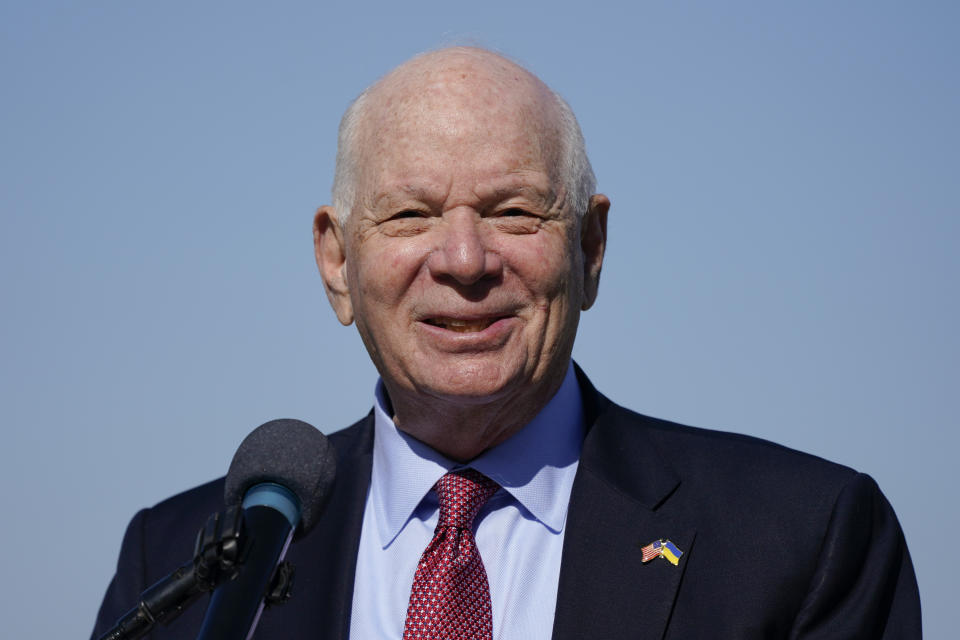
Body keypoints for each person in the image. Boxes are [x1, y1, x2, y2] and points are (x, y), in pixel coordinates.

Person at [91, 47, 921, 639]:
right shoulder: (176, 568)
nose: (463, 261)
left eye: (513, 211)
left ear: (590, 249)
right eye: (410, 214)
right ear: (337, 261)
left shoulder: (803, 539)